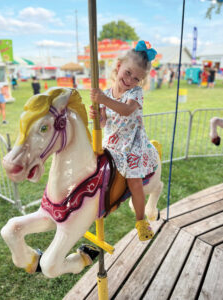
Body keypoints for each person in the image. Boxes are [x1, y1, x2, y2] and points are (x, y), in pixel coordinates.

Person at [89, 40, 159, 241]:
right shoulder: (108, 92)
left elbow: (127, 110)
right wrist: (98, 114)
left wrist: (103, 100)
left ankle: (140, 221)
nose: (130, 80)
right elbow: (103, 123)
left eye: (136, 78)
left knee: (134, 182)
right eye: (128, 73)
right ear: (119, 66)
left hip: (132, 144)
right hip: (112, 141)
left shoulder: (135, 93)